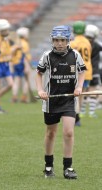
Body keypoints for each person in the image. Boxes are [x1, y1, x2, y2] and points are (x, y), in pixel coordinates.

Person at [36, 25, 86, 179]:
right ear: (52, 40)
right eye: (56, 40)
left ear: (67, 40)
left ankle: (68, 167)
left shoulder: (75, 55)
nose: (59, 43)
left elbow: (82, 71)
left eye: (62, 40)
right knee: (51, 133)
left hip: (69, 100)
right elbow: (39, 73)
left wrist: (79, 87)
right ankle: (48, 166)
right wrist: (40, 90)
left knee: (69, 132)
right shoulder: (47, 56)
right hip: (51, 101)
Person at [70, 21, 92, 126]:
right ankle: (77, 117)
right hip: (87, 71)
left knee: (74, 96)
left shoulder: (73, 42)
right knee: (81, 95)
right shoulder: (88, 42)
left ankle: (76, 117)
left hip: (77, 71)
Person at [84, 24, 102, 117]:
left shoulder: (83, 44)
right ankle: (91, 112)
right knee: (93, 91)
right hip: (94, 70)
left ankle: (82, 112)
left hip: (84, 71)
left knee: (83, 91)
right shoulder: (96, 45)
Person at [11, 27, 32, 103]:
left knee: (16, 80)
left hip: (16, 63)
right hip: (23, 63)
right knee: (27, 80)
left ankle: (14, 96)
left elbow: (12, 53)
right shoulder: (25, 43)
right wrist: (27, 66)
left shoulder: (17, 42)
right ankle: (24, 97)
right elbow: (25, 56)